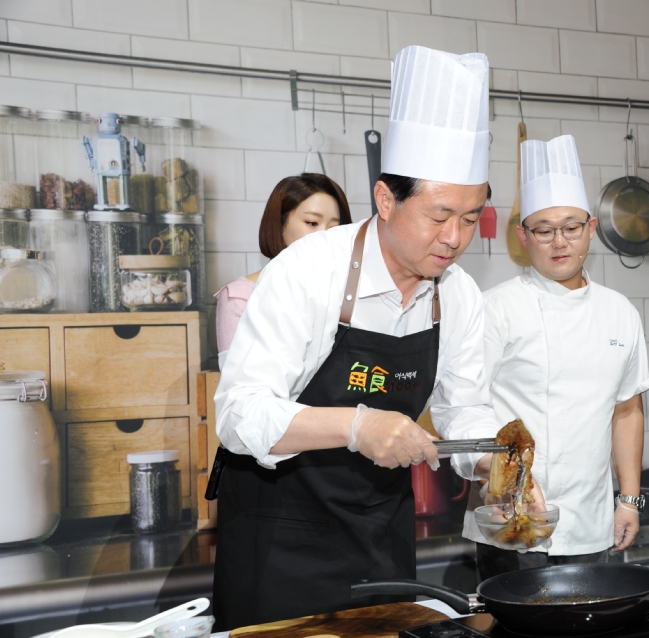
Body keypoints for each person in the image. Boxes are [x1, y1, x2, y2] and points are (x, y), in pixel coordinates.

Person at [212, 46, 521, 630]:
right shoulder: (308, 272)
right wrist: (356, 425)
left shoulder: (456, 295)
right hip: (281, 540)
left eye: (471, 215)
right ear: (385, 199)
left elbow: (464, 411)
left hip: (381, 539)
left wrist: (496, 468)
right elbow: (238, 414)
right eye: (438, 215)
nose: (456, 238)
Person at [463, 135, 649, 579]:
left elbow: (626, 410)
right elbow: (466, 406)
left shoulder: (620, 311)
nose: (559, 242)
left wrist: (629, 498)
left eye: (570, 227)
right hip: (508, 523)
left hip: (593, 521)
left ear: (590, 228)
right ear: (523, 237)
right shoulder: (496, 308)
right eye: (544, 230)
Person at [213, 173, 350, 364]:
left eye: (334, 228)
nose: (324, 236)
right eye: (312, 223)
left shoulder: (344, 294)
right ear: (280, 224)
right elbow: (239, 385)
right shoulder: (241, 298)